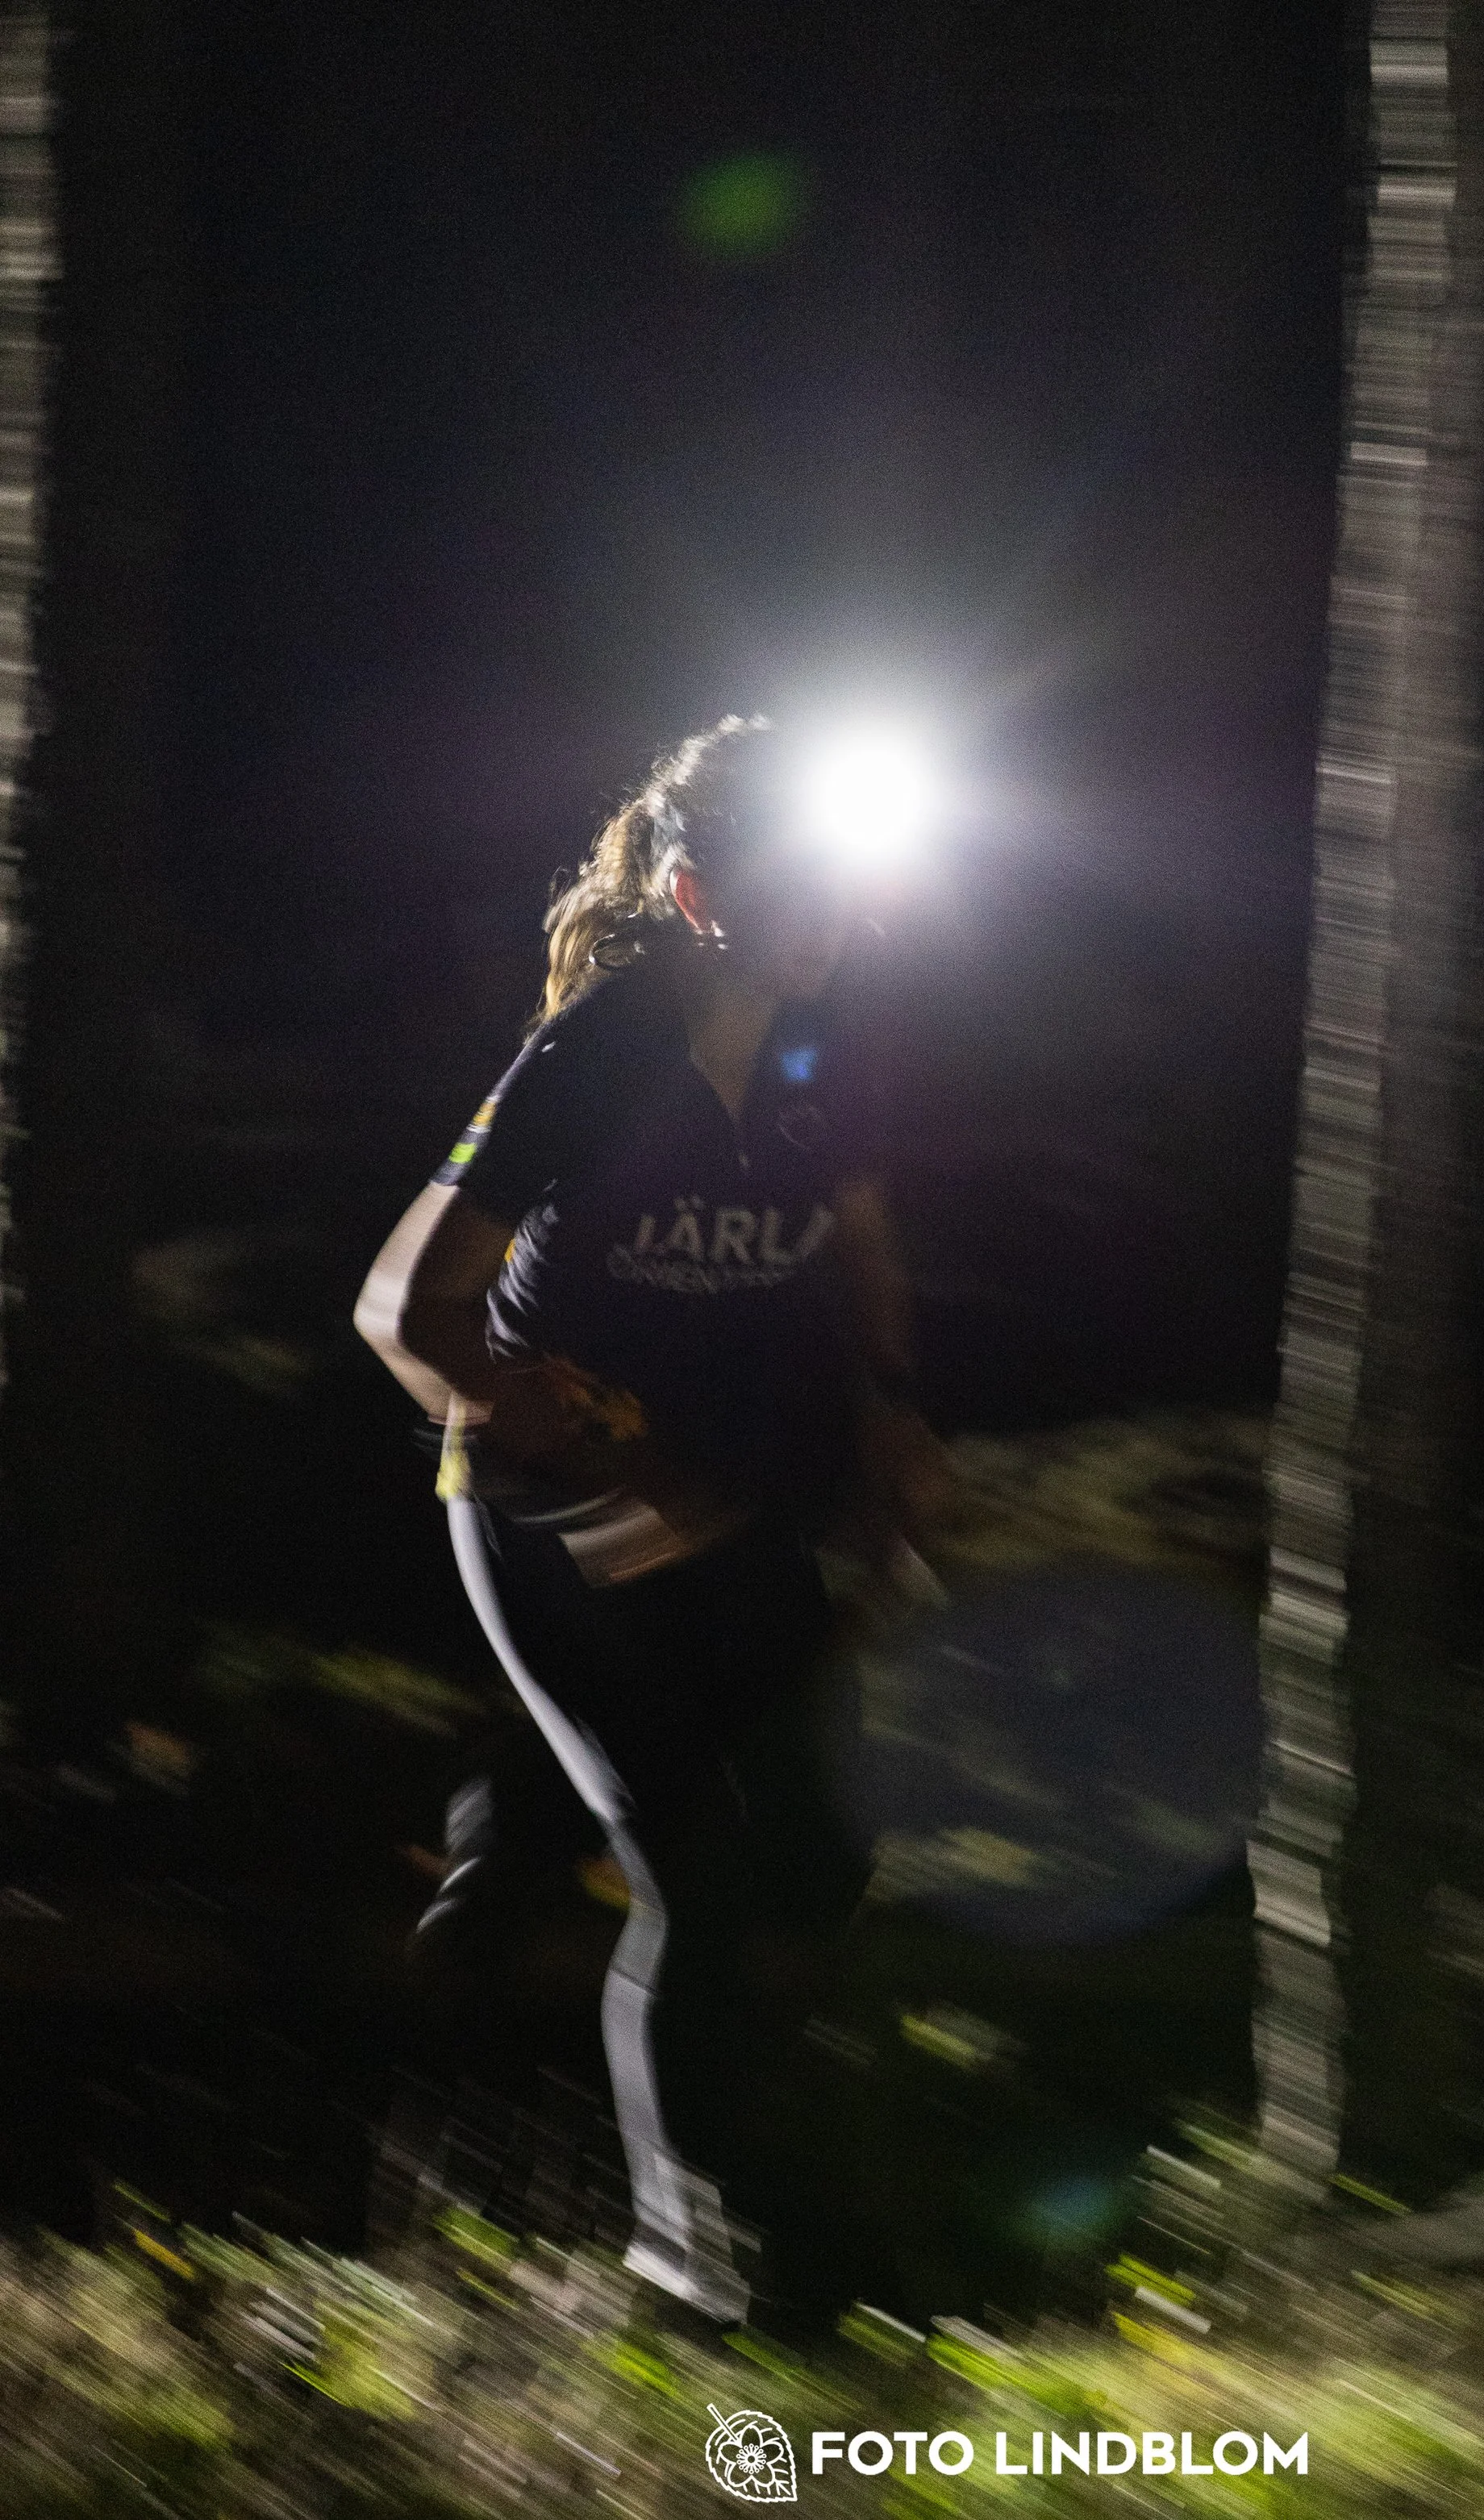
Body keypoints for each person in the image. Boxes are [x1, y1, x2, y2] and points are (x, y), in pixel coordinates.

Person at [355, 714, 949, 2330]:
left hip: (728, 1499)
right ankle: (709, 2267)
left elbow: (863, 1241)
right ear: (696, 897)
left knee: (822, 1855)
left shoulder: (838, 1039)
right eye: (794, 886)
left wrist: (891, 1414)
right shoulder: (600, 1052)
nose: (832, 920)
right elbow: (400, 1304)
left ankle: (760, 2206)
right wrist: (571, 1451)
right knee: (695, 1867)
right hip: (553, 1511)